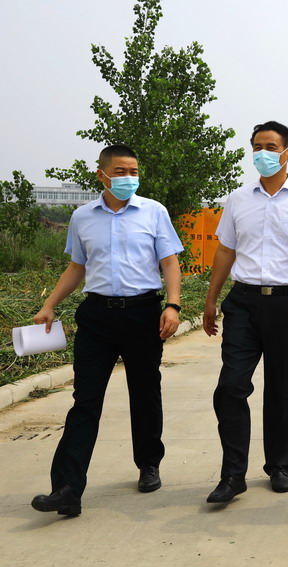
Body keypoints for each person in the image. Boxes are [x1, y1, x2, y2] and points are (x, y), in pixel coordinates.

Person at [30, 144, 183, 516]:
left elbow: (169, 261)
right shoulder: (83, 216)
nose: (128, 177)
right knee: (85, 401)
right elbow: (76, 267)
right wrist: (49, 305)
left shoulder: (154, 212)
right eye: (120, 171)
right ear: (101, 175)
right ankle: (67, 488)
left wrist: (173, 305)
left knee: (144, 392)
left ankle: (148, 463)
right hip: (97, 316)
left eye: (133, 171)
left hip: (142, 314)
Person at [202, 121, 288, 503]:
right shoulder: (238, 199)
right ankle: (233, 474)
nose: (263, 153)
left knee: (283, 388)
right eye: (257, 147)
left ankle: (279, 465)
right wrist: (212, 299)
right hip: (243, 302)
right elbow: (226, 250)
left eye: (271, 147)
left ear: (287, 153)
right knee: (231, 386)